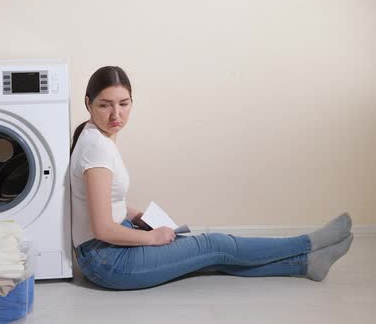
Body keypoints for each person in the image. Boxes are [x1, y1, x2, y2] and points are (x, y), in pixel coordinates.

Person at [70, 66, 354, 290]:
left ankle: (307, 264)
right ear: (88, 103)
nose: (116, 114)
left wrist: (140, 215)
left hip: (107, 250)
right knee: (213, 246)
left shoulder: (95, 135)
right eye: (105, 105)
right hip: (107, 260)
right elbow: (103, 229)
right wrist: (153, 237)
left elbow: (105, 200)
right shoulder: (96, 148)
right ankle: (308, 242)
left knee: (207, 256)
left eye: (124, 103)